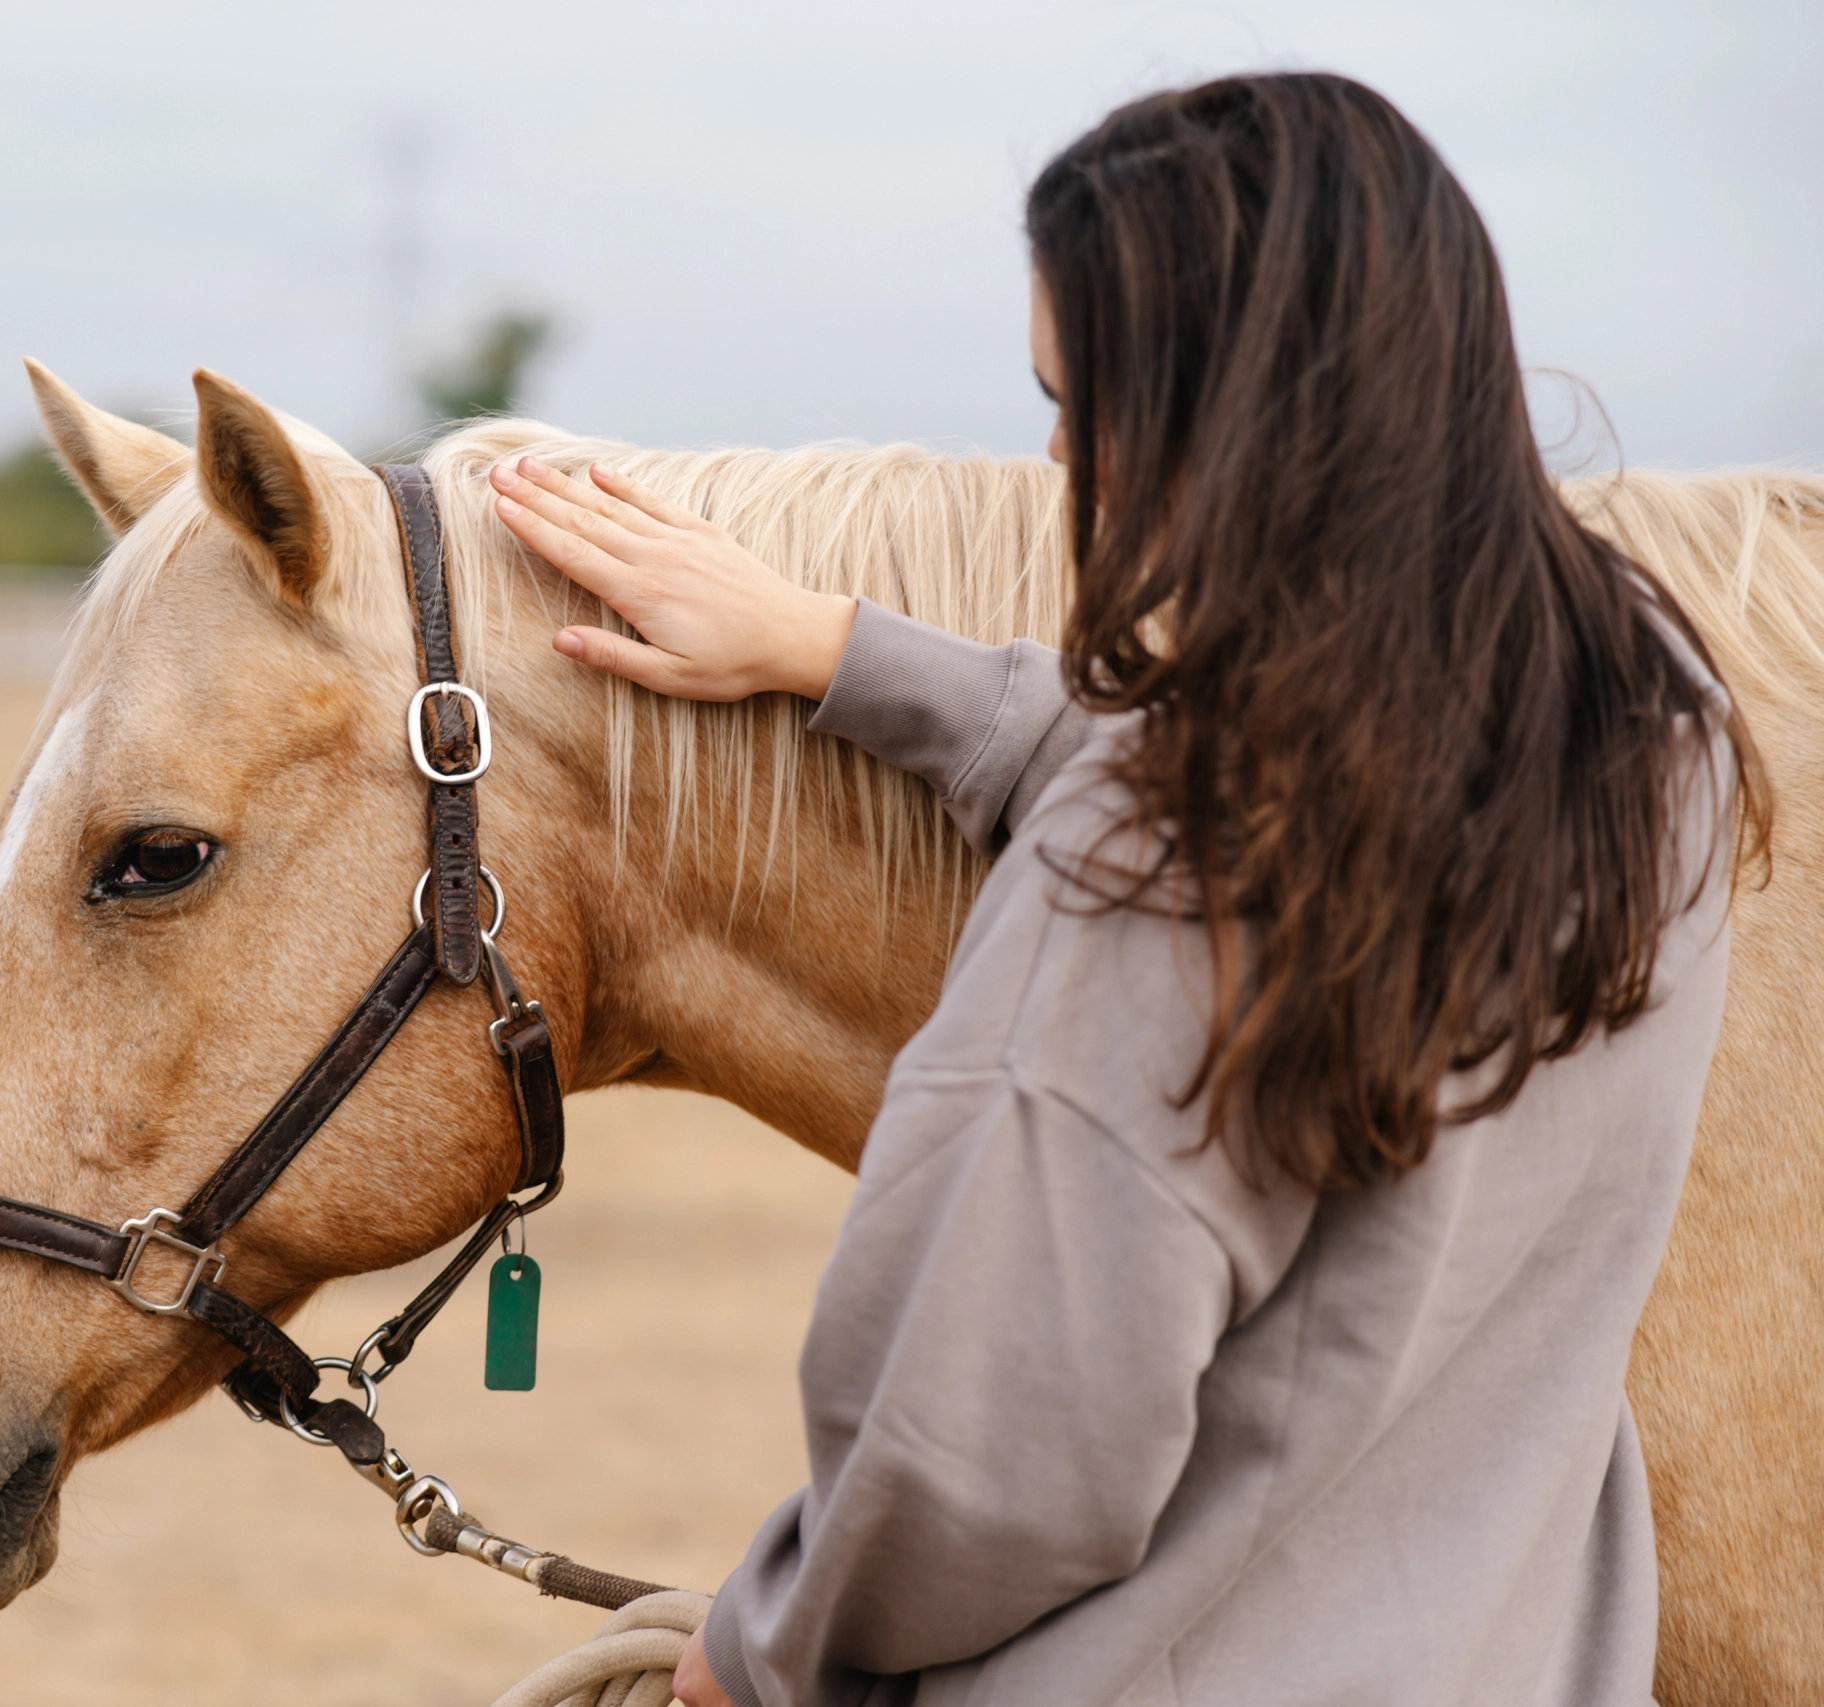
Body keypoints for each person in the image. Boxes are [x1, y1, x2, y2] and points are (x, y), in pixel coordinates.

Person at [486, 73, 1766, 1707]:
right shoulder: (1654, 747)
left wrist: (758, 1651)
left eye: (1084, 404)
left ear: (1227, 419)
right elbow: (1253, 795)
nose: (1057, 457)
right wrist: (834, 650)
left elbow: (979, 1468)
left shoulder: (1159, 864)